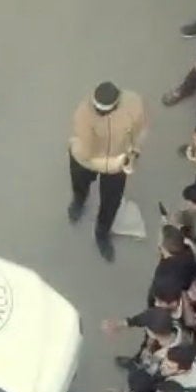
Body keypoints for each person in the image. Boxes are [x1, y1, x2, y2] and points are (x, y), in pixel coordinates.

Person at [67, 83, 147, 260]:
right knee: (80, 183)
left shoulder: (133, 104)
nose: (98, 113)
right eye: (96, 109)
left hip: (119, 159)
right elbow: (87, 154)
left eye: (103, 111)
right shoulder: (83, 115)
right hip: (85, 159)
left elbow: (140, 130)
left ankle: (102, 233)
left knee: (111, 201)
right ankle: (78, 201)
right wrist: (115, 164)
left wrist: (134, 153)